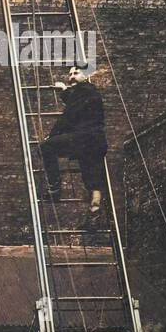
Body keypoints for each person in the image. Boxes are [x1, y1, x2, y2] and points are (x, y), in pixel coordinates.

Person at [40, 67, 108, 226]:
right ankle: (94, 211)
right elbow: (76, 105)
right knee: (92, 179)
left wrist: (53, 135)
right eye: (70, 74)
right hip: (96, 142)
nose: (71, 77)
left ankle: (54, 189)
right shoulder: (90, 92)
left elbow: (68, 116)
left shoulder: (82, 91)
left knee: (46, 147)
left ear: (86, 76)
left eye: (76, 73)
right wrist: (65, 90)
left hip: (83, 138)